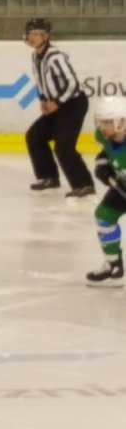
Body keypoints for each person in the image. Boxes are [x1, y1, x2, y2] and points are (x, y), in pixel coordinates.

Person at [24, 18, 95, 198]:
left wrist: (58, 102)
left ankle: (84, 185)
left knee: (64, 146)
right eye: (29, 33)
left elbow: (72, 83)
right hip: (57, 105)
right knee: (35, 136)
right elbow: (40, 82)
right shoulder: (35, 56)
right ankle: (48, 177)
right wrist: (43, 99)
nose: (30, 37)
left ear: (45, 36)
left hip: (73, 104)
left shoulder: (55, 56)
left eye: (35, 33)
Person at [85, 96, 126, 287]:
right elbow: (107, 153)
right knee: (104, 216)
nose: (103, 127)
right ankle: (113, 265)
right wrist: (102, 163)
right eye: (101, 121)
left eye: (108, 122)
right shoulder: (102, 136)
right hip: (122, 186)